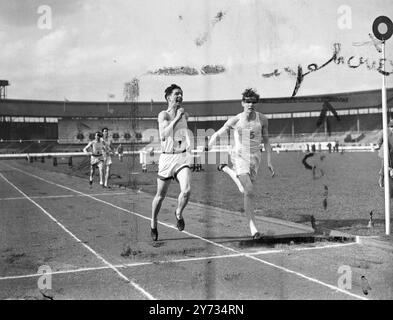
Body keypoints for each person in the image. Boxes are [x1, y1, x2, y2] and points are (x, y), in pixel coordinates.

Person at [207, 88, 274, 240]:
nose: (250, 104)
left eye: (252, 102)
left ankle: (227, 170)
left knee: (246, 191)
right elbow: (219, 132)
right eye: (247, 102)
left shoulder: (263, 119)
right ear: (242, 103)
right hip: (239, 156)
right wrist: (209, 145)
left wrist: (270, 160)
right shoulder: (236, 120)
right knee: (249, 190)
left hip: (255, 158)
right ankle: (253, 229)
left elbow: (267, 141)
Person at [150, 84, 192, 241]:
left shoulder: (184, 115)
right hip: (167, 158)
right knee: (160, 195)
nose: (180, 96)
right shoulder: (163, 115)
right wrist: (177, 117)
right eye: (176, 94)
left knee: (186, 190)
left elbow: (185, 132)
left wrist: (190, 147)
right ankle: (153, 223)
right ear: (168, 97)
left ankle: (179, 212)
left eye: (181, 94)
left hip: (181, 157)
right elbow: (163, 134)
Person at [377, 119, 393, 191]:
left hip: (392, 152)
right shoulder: (385, 131)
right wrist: (380, 146)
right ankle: (381, 179)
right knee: (384, 166)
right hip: (385, 152)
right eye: (391, 126)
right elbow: (380, 140)